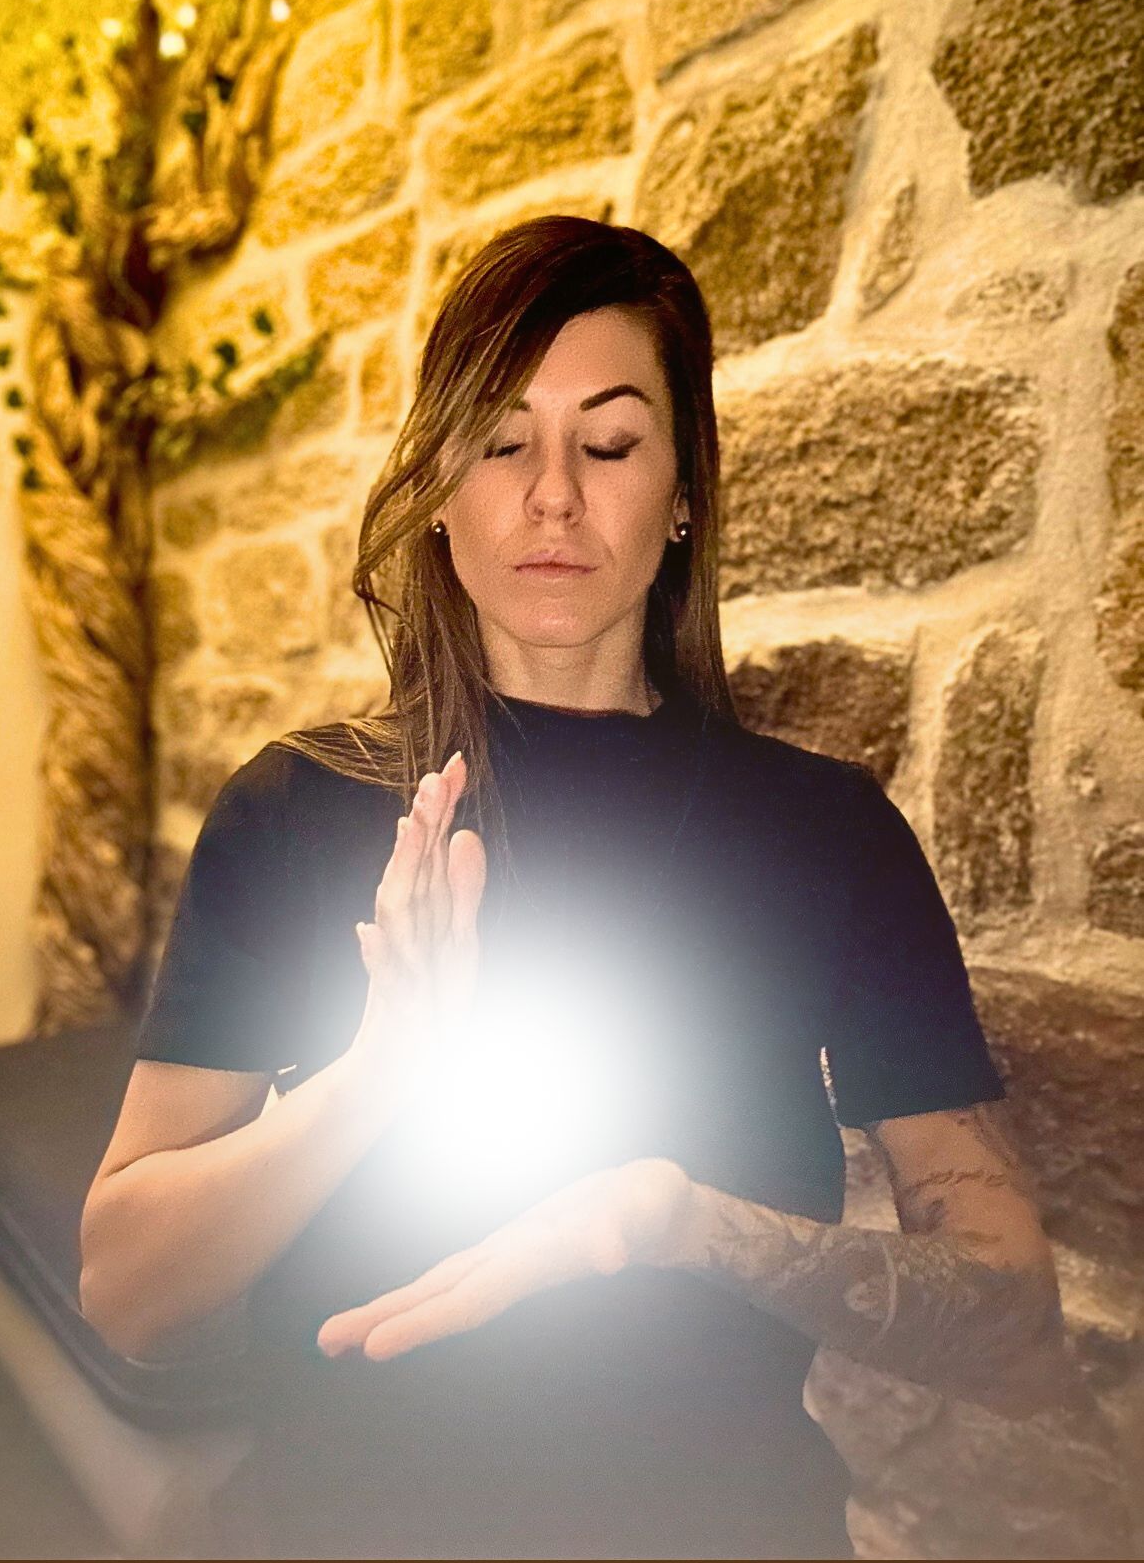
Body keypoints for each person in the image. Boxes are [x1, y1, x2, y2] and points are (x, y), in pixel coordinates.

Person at [80, 217, 1087, 1560]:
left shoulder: (829, 836)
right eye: (501, 443)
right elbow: (127, 1296)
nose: (552, 495)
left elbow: (1015, 1326)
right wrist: (376, 1072)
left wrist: (680, 1227)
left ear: (682, 494)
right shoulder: (297, 812)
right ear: (439, 490)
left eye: (608, 444)